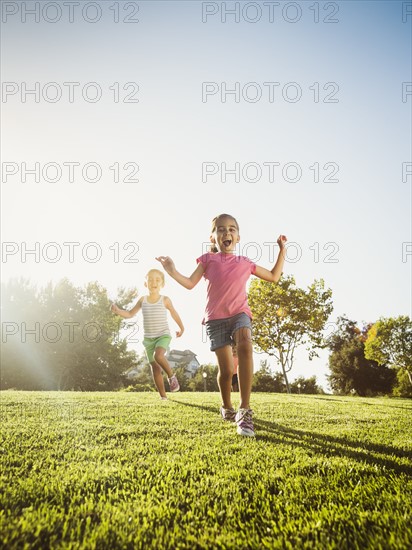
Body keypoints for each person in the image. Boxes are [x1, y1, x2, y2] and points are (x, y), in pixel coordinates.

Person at [156, 213, 287, 436]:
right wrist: (172, 271)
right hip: (215, 319)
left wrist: (282, 250)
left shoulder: (245, 263)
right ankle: (227, 406)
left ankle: (244, 410)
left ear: (238, 237)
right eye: (221, 229)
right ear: (212, 237)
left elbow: (274, 277)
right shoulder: (207, 260)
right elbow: (189, 283)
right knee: (226, 371)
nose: (226, 233)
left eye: (232, 229)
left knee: (245, 345)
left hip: (240, 314)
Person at [111, 269, 184, 399]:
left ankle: (171, 377)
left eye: (157, 280)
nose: (153, 282)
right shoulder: (142, 300)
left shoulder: (165, 300)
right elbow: (129, 314)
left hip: (163, 335)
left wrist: (181, 327)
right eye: (150, 279)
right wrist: (118, 311)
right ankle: (163, 397)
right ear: (145, 284)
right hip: (148, 340)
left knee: (159, 355)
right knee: (155, 368)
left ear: (162, 284)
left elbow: (174, 313)